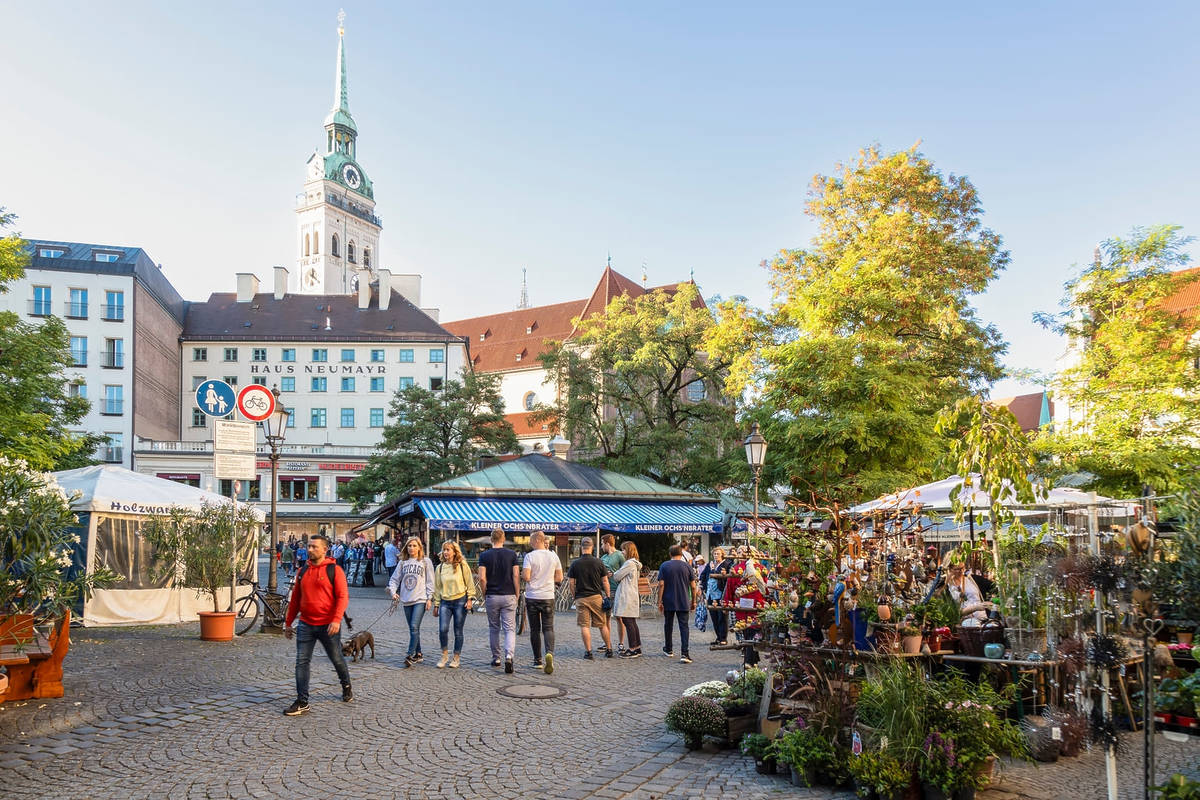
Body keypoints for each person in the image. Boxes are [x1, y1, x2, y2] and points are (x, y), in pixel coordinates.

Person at [282, 533, 352, 716]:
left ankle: (346, 684)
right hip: (305, 624)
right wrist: (288, 623)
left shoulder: (334, 571)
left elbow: (343, 597)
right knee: (302, 662)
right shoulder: (302, 571)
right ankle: (302, 701)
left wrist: (336, 619)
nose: (310, 549)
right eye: (309, 546)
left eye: (314, 547)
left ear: (324, 549)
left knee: (336, 658)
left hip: (328, 624)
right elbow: (296, 599)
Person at [478, 527, 520, 673]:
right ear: (503, 539)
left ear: (491, 539)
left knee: (494, 628)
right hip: (508, 595)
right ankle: (509, 655)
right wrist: (517, 592)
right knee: (509, 629)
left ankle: (496, 658)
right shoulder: (512, 554)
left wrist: (484, 593)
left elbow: (482, 578)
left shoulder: (484, 556)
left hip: (492, 595)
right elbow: (516, 575)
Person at [388, 537, 435, 666]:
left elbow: (431, 581)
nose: (411, 548)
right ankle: (418, 653)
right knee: (413, 628)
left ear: (419, 547)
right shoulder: (403, 562)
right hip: (406, 599)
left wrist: (430, 598)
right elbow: (394, 580)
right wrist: (393, 592)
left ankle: (409, 655)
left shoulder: (425, 561)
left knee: (414, 626)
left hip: (420, 599)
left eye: (414, 546)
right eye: (409, 546)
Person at [522, 530, 564, 674]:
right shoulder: (553, 556)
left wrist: (531, 577)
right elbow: (559, 578)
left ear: (537, 540)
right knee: (548, 628)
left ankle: (537, 660)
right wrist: (547, 580)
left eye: (531, 541)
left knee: (535, 629)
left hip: (533, 596)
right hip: (548, 596)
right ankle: (550, 653)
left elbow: (526, 576)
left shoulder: (529, 556)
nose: (529, 543)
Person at [432, 541, 476, 669]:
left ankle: (456, 657)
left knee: (458, 631)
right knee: (443, 629)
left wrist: (470, 600)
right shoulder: (439, 568)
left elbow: (470, 583)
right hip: (445, 602)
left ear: (454, 551)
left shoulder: (462, 565)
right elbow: (437, 588)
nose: (446, 552)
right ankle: (444, 655)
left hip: (460, 601)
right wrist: (436, 605)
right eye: (444, 550)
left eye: (448, 550)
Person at [567, 538, 612, 660]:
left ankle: (588, 652)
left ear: (581, 547)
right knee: (602, 625)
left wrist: (574, 595)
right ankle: (609, 649)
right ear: (592, 547)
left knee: (584, 626)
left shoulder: (575, 563)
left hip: (581, 598)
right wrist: (607, 596)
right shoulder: (598, 562)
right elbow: (605, 581)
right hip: (596, 597)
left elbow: (572, 583)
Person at [658, 544, 697, 664]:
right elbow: (693, 586)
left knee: (668, 624)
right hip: (683, 599)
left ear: (670, 554)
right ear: (682, 554)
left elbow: (661, 584)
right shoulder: (687, 566)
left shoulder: (664, 565)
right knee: (684, 627)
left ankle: (668, 649)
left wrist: (659, 601)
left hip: (668, 599)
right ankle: (685, 653)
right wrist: (694, 601)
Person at [611, 541, 643, 658]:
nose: (622, 552)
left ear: (628, 550)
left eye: (623, 550)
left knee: (628, 621)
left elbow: (617, 576)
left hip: (627, 595)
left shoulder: (629, 563)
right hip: (631, 594)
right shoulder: (635, 564)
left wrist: (614, 573)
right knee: (632, 622)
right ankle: (637, 647)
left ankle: (632, 648)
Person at [946, 561, 995, 626]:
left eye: (962, 568)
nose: (961, 571)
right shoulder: (947, 587)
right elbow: (953, 612)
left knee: (992, 626)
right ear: (950, 570)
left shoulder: (973, 579)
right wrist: (975, 608)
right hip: (964, 621)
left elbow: (993, 587)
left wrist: (992, 601)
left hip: (983, 617)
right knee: (973, 625)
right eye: (957, 569)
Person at [600, 534, 626, 653]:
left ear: (607, 543)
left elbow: (625, 570)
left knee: (619, 617)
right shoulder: (603, 557)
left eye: (602, 544)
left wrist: (614, 574)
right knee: (606, 618)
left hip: (617, 589)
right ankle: (607, 643)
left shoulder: (619, 555)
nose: (601, 547)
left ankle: (621, 643)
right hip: (605, 591)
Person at [703, 547, 733, 645]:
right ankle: (718, 637)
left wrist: (721, 573)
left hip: (721, 593)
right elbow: (703, 576)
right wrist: (703, 588)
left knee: (722, 616)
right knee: (714, 616)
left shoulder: (727, 564)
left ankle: (723, 638)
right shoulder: (710, 564)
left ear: (722, 554)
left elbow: (729, 578)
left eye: (718, 554)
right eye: (715, 554)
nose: (716, 555)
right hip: (711, 593)